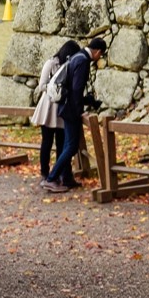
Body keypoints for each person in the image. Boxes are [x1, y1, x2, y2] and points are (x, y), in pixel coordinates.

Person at [43, 35, 106, 190]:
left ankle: (66, 178)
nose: (99, 58)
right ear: (97, 51)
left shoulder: (76, 57)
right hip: (71, 110)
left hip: (64, 106)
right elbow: (76, 89)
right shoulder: (83, 61)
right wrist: (80, 111)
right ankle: (52, 178)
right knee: (71, 146)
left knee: (67, 145)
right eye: (101, 55)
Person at [31, 40, 80, 179]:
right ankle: (44, 171)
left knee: (61, 141)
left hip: (61, 106)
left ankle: (59, 172)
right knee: (47, 141)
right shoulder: (51, 63)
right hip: (49, 105)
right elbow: (42, 85)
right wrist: (56, 89)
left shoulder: (70, 65)